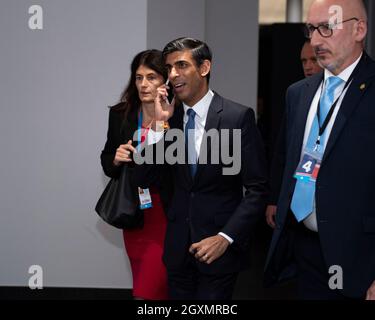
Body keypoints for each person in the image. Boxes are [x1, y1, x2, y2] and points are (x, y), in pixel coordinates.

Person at [134, 37, 268, 300]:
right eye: (169, 68)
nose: (172, 75)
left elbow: (258, 189)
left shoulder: (236, 117)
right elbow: (143, 175)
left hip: (218, 252)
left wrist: (225, 237)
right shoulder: (169, 119)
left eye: (181, 65)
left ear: (204, 68)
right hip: (177, 253)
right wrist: (158, 125)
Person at [264, 0, 375, 300]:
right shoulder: (298, 93)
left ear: (359, 29)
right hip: (303, 247)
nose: (315, 41)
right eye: (311, 29)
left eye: (327, 28)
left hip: (359, 255)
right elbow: (289, 157)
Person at [100, 49, 172, 300]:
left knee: (148, 290)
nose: (143, 84)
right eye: (138, 77)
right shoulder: (121, 114)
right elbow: (107, 162)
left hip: (167, 213)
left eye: (151, 77)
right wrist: (116, 158)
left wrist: (163, 126)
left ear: (166, 81)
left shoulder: (180, 115)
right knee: (146, 286)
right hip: (135, 213)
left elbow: (176, 166)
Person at [266, 39, 322, 229]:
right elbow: (282, 150)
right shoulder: (296, 93)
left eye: (313, 60)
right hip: (294, 197)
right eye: (304, 61)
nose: (308, 66)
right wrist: (274, 198)